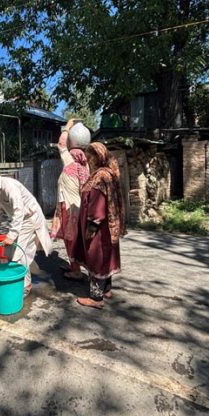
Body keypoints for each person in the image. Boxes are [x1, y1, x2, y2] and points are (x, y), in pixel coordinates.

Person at [0, 165, 52, 297]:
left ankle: (25, 286)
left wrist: (11, 235)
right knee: (17, 252)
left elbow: (19, 211)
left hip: (29, 218)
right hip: (20, 220)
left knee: (18, 254)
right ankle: (18, 280)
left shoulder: (10, 186)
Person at [72, 142, 126, 309]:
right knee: (106, 258)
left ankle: (96, 298)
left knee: (97, 257)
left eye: (90, 157)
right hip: (108, 228)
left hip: (99, 228)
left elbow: (98, 205)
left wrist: (92, 227)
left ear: (97, 157)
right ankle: (107, 289)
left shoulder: (100, 177)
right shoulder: (109, 173)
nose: (88, 161)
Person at [50, 119, 89, 280]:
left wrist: (67, 127)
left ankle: (76, 271)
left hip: (70, 208)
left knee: (71, 239)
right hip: (76, 207)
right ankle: (74, 265)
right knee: (71, 238)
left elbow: (61, 144)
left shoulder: (70, 161)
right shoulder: (85, 165)